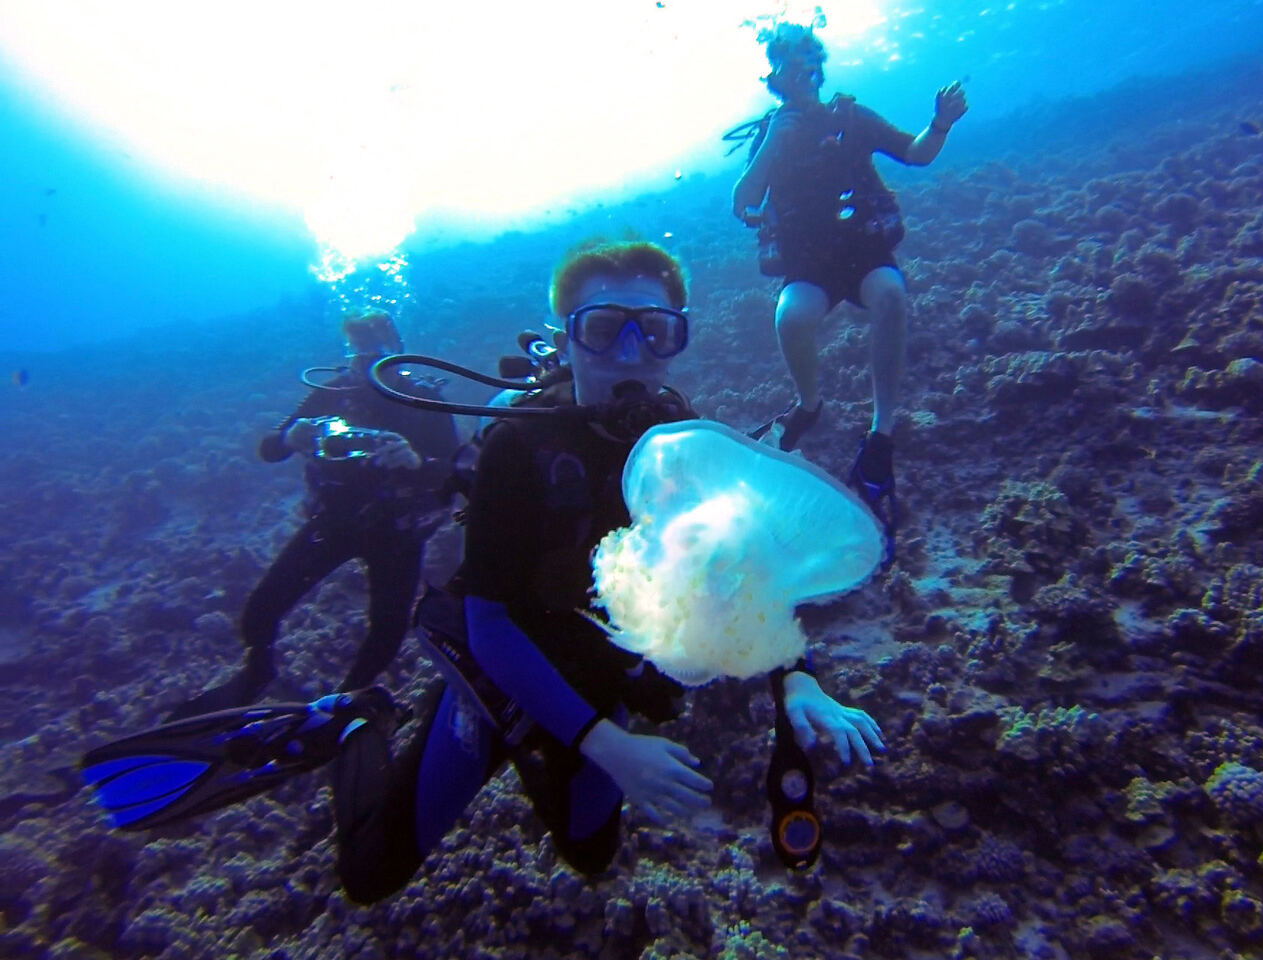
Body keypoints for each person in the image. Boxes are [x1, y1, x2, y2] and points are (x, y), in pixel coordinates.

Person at [83, 241, 884, 900]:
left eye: (656, 332)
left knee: (592, 857)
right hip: (498, 676)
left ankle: (561, 756)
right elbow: (489, 622)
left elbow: (751, 571)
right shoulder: (518, 448)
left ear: (680, 338)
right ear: (566, 339)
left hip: (598, 675)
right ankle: (355, 725)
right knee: (369, 875)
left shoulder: (689, 443)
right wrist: (610, 747)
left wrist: (799, 681)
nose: (631, 353)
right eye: (605, 329)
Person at [732, 23, 968, 558]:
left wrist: (941, 123)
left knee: (891, 293)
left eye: (806, 65)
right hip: (809, 263)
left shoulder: (850, 117)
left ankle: (881, 430)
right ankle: (808, 404)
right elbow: (743, 200)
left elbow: (915, 153)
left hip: (862, 251)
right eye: (787, 69)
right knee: (791, 316)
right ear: (774, 79)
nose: (800, 77)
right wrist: (771, 144)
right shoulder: (772, 132)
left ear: (818, 70)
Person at [165, 311, 459, 721]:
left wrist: (415, 461)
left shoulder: (424, 400)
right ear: (348, 355)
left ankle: (344, 701)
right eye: (358, 356)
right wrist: (291, 436)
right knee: (262, 608)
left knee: (388, 628)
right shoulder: (333, 393)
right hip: (336, 521)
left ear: (398, 351)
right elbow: (269, 448)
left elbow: (454, 472)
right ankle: (258, 670)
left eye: (377, 355)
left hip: (398, 531)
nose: (367, 367)